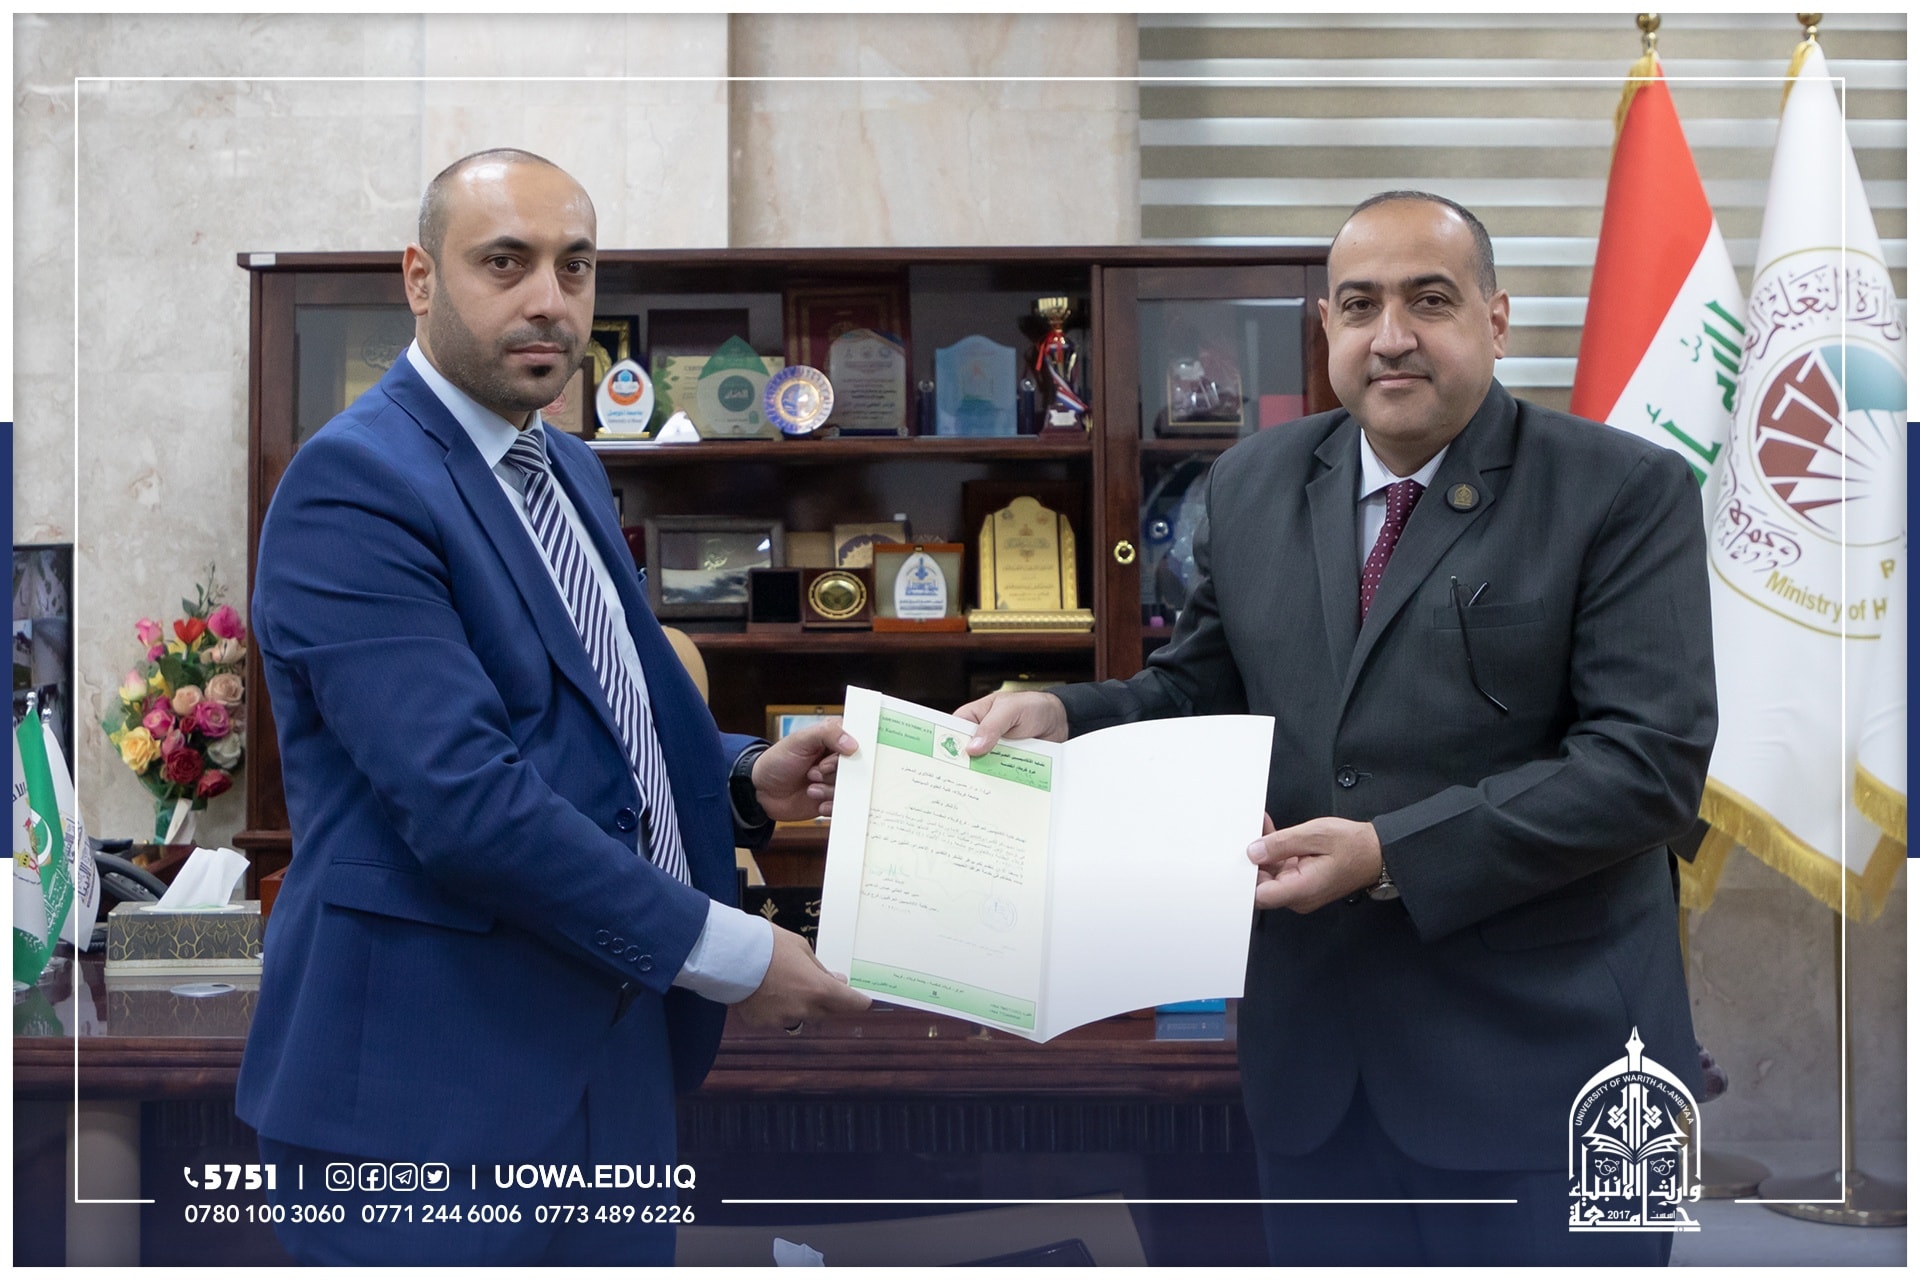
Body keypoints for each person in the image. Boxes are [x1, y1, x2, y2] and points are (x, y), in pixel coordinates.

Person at [958, 192, 1715, 1266]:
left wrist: (1389, 855)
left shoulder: (1623, 489)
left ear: (1497, 320)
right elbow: (1198, 689)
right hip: (1318, 1073)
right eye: (1360, 305)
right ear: (1326, 326)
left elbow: (1646, 767)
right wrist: (1063, 714)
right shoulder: (1253, 480)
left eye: (1429, 300)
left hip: (1552, 1070)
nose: (1391, 335)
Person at [236, 148, 870, 1265]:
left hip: (610, 1066)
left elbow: (603, 713)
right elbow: (468, 803)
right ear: (420, 279)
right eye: (505, 262)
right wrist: (733, 953)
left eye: (575, 266)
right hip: (428, 1105)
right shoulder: (355, 486)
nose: (549, 299)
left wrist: (739, 776)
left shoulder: (566, 466)